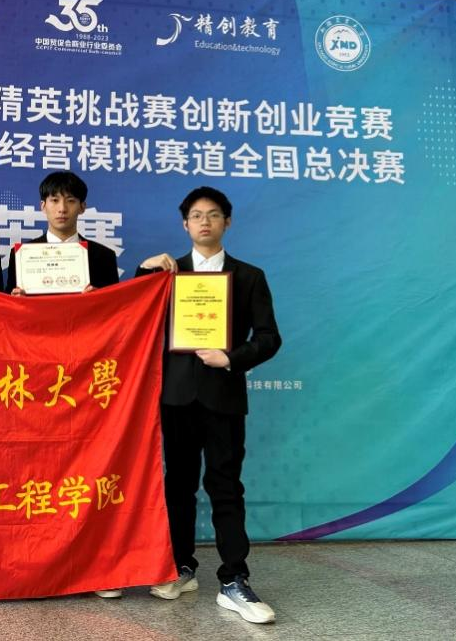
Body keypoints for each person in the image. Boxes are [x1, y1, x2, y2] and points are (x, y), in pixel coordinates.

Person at [134, 186, 281, 624]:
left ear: (227, 222)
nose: (204, 222)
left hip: (223, 398)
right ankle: (181, 567)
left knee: (225, 487)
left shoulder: (249, 276)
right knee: (177, 486)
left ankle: (234, 579)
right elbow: (130, 314)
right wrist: (142, 270)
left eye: (213, 215)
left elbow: (269, 338)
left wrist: (231, 358)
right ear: (185, 224)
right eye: (196, 215)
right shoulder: (167, 273)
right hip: (176, 397)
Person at [5, 170, 120, 294]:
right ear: (43, 206)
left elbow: (115, 303)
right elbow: (7, 302)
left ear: (82, 207)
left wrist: (98, 298)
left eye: (70, 201)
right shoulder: (21, 255)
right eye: (55, 200)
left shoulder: (104, 256)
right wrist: (16, 299)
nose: (62, 209)